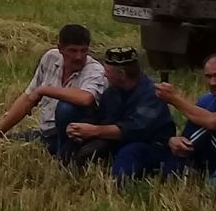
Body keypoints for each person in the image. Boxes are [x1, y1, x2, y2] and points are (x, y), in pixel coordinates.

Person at [0, 23, 108, 159]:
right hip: (47, 133)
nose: (79, 56)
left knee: (66, 107)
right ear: (60, 49)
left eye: (83, 51)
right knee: (10, 141)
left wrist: (44, 90)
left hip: (77, 137)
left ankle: (67, 155)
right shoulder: (50, 58)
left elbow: (86, 98)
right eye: (73, 51)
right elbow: (27, 99)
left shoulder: (94, 70)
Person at [63, 46, 175, 180]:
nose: (104, 74)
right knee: (69, 149)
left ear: (121, 74)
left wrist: (94, 131)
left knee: (124, 169)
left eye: (107, 71)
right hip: (117, 141)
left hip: (148, 144)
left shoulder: (152, 95)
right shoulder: (112, 92)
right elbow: (100, 118)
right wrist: (78, 128)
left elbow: (133, 130)